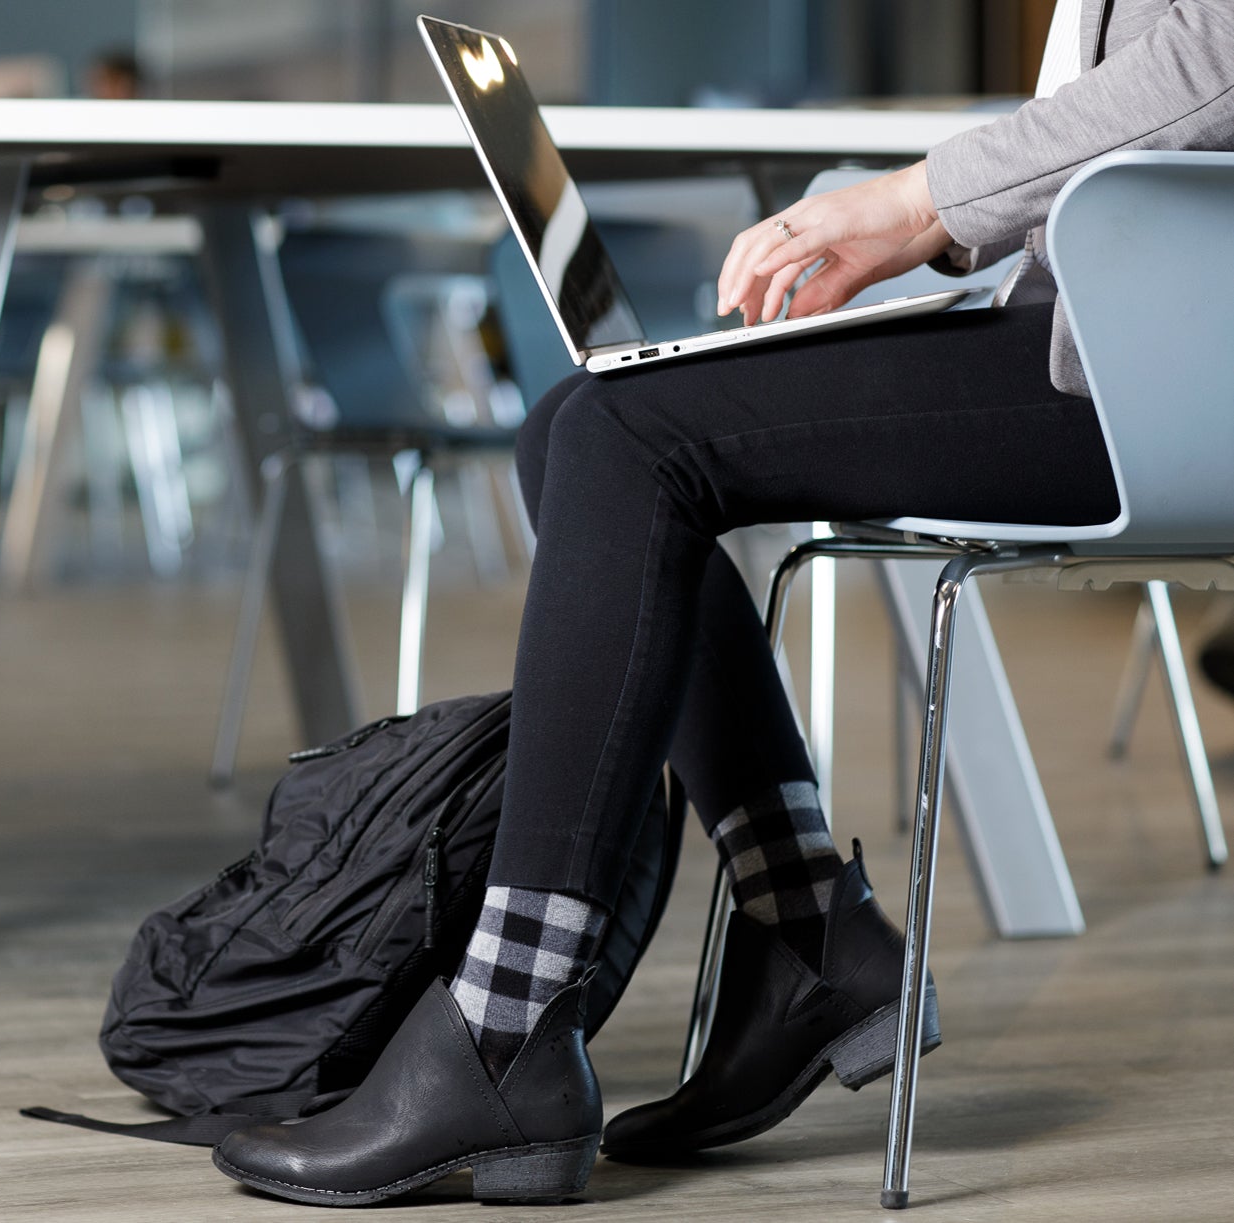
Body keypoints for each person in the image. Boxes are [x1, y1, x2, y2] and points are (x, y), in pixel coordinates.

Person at [214, 0, 1234, 1206]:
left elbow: (1214, 62)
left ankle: (509, 1020)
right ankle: (808, 935)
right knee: (582, 424)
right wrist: (948, 237)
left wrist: (914, 204)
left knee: (624, 439)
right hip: (1106, 338)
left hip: (1162, 376)